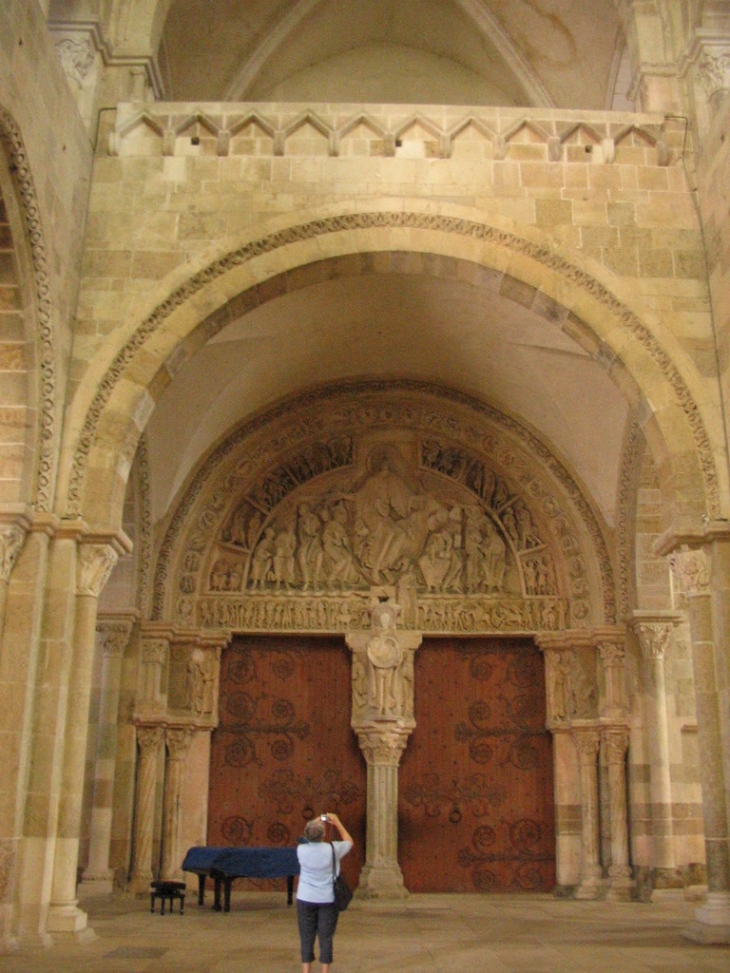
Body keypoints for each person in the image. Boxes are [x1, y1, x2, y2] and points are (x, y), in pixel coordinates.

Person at [296, 812, 353, 973]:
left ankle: (306, 970)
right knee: (326, 937)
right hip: (327, 899)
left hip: (305, 898)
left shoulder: (301, 849)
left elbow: (305, 834)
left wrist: (320, 819)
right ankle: (324, 971)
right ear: (324, 834)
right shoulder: (333, 849)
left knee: (306, 937)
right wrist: (336, 821)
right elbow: (349, 841)